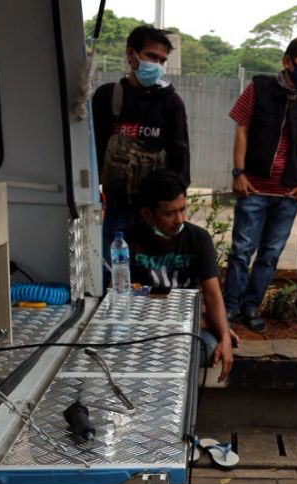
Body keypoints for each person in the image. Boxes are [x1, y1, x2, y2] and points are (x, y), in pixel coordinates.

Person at [226, 37, 297, 334]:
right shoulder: (259, 87)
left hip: (289, 193)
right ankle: (229, 307)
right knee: (242, 250)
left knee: (270, 254)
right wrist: (238, 172)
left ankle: (250, 307)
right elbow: (242, 130)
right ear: (287, 61)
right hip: (254, 188)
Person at [92, 25, 190, 290]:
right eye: (150, 56)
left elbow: (180, 159)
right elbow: (92, 152)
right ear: (131, 55)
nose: (156, 64)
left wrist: (174, 209)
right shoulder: (108, 97)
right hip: (117, 208)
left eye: (161, 60)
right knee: (112, 272)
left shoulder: (171, 103)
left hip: (154, 213)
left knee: (153, 275)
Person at [124, 170, 236, 381]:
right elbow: (124, 296)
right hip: (143, 327)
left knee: (210, 348)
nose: (179, 219)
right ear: (147, 214)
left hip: (185, 327)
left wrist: (224, 335)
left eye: (183, 210)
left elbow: (212, 294)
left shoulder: (198, 239)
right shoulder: (126, 241)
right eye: (169, 213)